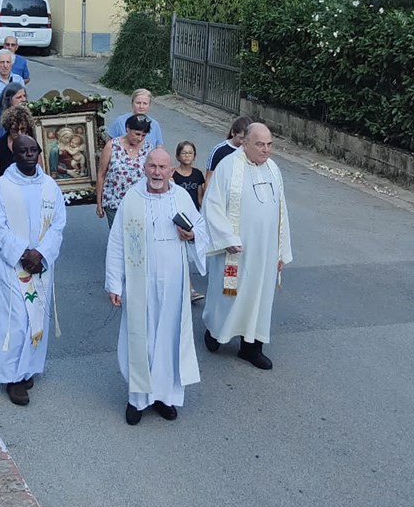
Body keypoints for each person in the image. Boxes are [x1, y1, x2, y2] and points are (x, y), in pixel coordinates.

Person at [105, 148, 207, 425]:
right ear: (144, 168)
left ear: (171, 171)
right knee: (141, 337)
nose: (157, 172)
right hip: (141, 283)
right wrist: (114, 283)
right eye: (152, 166)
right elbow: (117, 242)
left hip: (174, 282)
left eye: (163, 167)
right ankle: (137, 399)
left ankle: (165, 396)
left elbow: (201, 228)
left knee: (168, 339)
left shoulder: (181, 197)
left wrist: (192, 235)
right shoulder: (132, 198)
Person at [201, 122, 292, 370]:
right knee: (228, 297)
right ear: (245, 143)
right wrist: (226, 238)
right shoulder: (228, 167)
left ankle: (251, 347)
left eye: (269, 145)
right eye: (260, 144)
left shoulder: (273, 169)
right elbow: (212, 205)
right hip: (236, 252)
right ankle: (215, 331)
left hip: (265, 252)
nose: (266, 150)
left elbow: (281, 210)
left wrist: (281, 250)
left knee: (260, 299)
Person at [0, 134, 66, 406]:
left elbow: (58, 225)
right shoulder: (2, 187)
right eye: (23, 151)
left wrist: (41, 253)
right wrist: (23, 252)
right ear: (15, 154)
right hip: (13, 266)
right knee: (16, 320)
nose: (29, 154)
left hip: (40, 265)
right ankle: (12, 377)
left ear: (39, 152)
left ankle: (27, 368)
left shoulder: (50, 186)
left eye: (33, 150)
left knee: (36, 319)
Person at [95, 114, 151, 227]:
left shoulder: (148, 148)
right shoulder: (112, 146)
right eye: (137, 134)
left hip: (139, 202)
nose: (139, 138)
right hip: (114, 201)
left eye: (143, 135)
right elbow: (101, 174)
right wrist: (99, 203)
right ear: (127, 129)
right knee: (118, 238)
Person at [173, 141, 207, 303]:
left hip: (195, 219)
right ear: (178, 155)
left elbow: (200, 198)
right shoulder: (173, 175)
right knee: (183, 256)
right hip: (179, 219)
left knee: (199, 252)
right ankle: (190, 289)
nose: (187, 156)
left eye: (190, 153)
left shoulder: (198, 174)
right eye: (184, 153)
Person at [0, 106, 37, 204]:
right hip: (5, 196)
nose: (20, 133)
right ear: (8, 128)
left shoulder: (32, 144)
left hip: (29, 195)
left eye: (23, 129)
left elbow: (40, 172)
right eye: (15, 130)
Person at [203, 116, 252, 189]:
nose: (243, 142)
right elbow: (209, 177)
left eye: (246, 139)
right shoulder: (219, 150)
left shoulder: (251, 150)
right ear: (233, 133)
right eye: (240, 138)